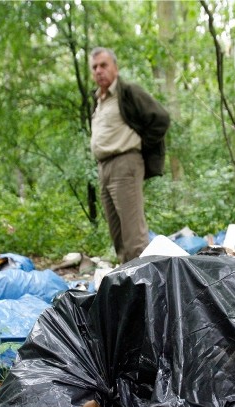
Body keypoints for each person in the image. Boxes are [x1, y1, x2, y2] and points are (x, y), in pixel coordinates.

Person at [89, 47, 170, 263]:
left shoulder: (128, 93)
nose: (99, 71)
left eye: (104, 65)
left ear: (115, 67)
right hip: (104, 168)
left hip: (125, 164)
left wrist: (141, 146)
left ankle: (145, 291)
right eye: (94, 67)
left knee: (134, 237)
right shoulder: (99, 99)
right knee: (118, 237)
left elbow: (161, 118)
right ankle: (128, 287)